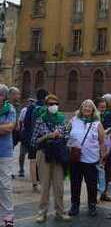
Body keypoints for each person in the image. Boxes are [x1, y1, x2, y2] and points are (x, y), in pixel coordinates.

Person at [31, 94, 71, 223]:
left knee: (59, 185)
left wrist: (60, 136)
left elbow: (67, 136)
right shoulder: (40, 119)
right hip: (44, 154)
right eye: (50, 104)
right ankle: (42, 212)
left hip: (58, 155)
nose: (53, 106)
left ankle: (60, 212)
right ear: (46, 105)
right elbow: (33, 142)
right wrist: (47, 136)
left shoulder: (62, 119)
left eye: (56, 104)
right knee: (45, 186)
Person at [68, 99, 105, 217]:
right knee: (75, 182)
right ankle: (75, 205)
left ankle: (92, 205)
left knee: (92, 183)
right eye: (84, 106)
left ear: (93, 109)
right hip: (75, 158)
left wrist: (102, 158)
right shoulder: (74, 120)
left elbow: (102, 142)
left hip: (91, 159)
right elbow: (65, 132)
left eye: (89, 107)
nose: (87, 108)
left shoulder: (97, 123)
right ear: (81, 108)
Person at [24, 89, 47, 192]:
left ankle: (34, 184)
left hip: (32, 138)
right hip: (43, 139)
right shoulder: (47, 108)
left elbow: (26, 123)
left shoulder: (31, 107)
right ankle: (43, 183)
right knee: (42, 161)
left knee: (33, 161)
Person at [0, 84, 16, 227]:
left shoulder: (9, 109)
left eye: (0, 95)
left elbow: (9, 128)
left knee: (5, 185)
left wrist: (4, 128)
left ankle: (8, 215)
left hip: (4, 152)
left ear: (4, 97)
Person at [96, 97, 111, 203]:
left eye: (104, 107)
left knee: (108, 171)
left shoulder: (108, 116)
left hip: (108, 147)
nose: (103, 109)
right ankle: (94, 194)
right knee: (97, 172)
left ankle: (104, 193)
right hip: (96, 148)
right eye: (101, 107)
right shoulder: (93, 118)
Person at [17, 97, 35, 178]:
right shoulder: (24, 110)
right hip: (26, 135)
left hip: (32, 135)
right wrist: (21, 131)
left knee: (33, 156)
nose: (30, 103)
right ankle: (21, 169)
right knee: (22, 154)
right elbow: (20, 121)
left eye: (32, 101)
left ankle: (34, 173)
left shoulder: (36, 110)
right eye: (29, 101)